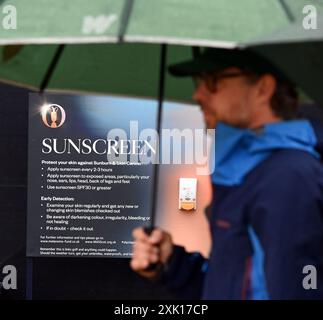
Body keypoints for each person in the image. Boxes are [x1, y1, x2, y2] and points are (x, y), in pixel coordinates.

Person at [130, 48, 323, 299]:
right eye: (199, 82)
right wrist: (173, 264)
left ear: (263, 88)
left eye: (213, 81)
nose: (197, 93)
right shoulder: (247, 171)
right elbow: (237, 285)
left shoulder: (288, 177)